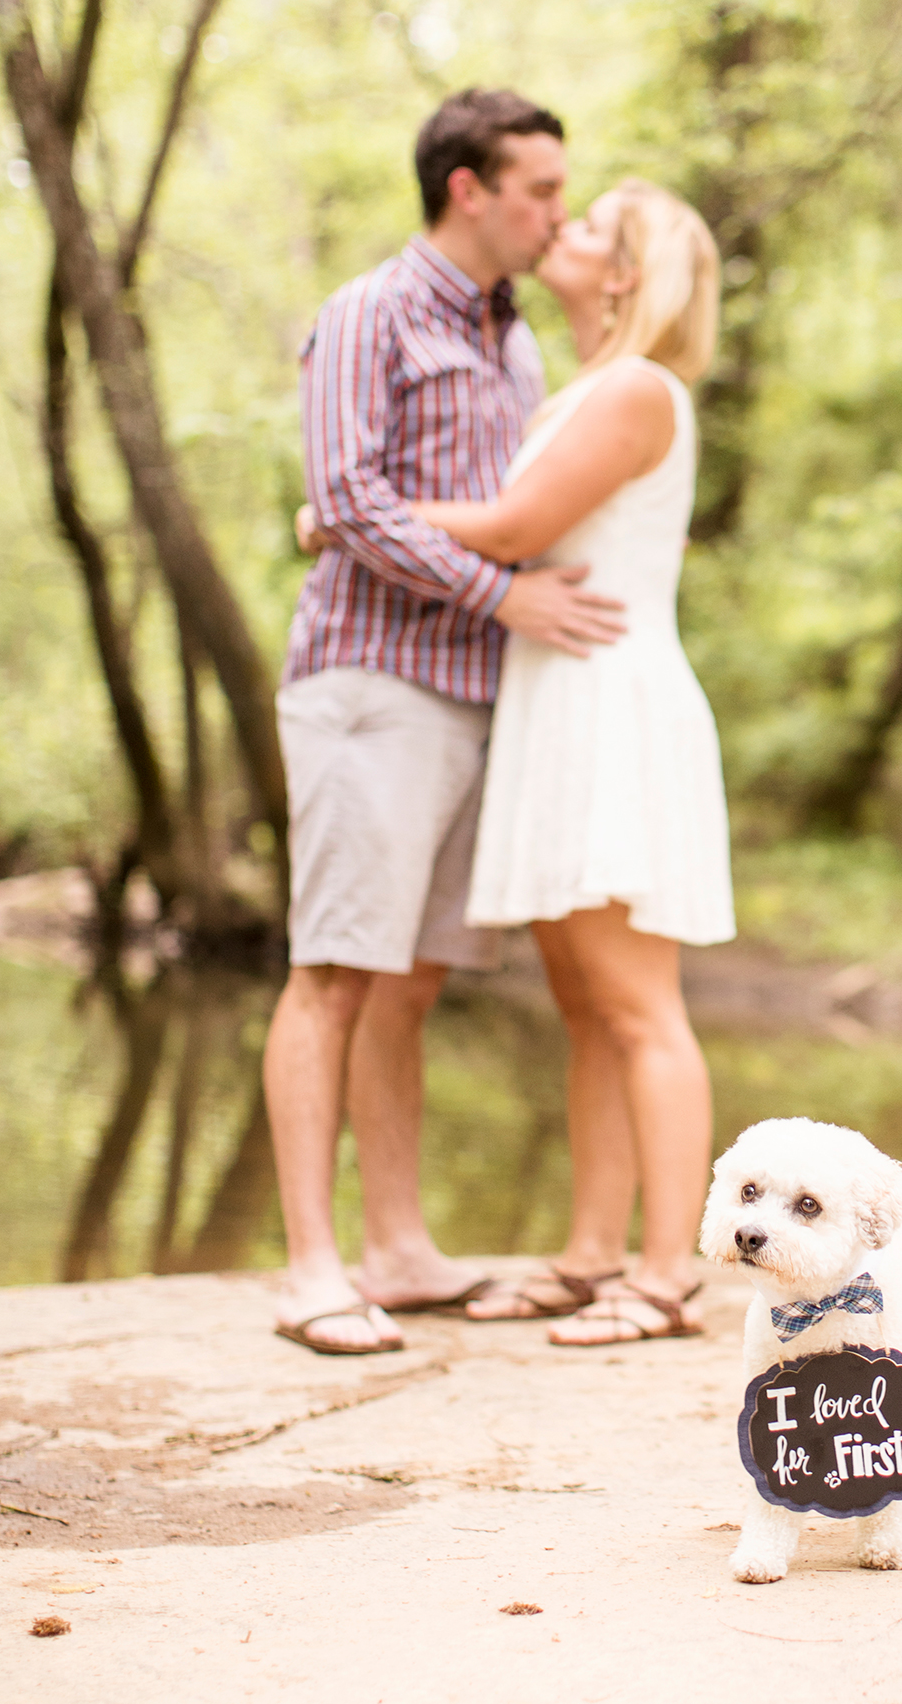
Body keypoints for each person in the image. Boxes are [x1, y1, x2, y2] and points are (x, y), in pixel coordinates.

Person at [265, 87, 626, 1356]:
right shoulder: (367, 313)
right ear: (467, 188)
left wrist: (519, 605)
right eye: (539, 191)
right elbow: (349, 504)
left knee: (410, 986)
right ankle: (311, 1267)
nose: (557, 215)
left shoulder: (515, 341)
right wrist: (504, 596)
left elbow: (506, 505)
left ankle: (399, 1248)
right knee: (332, 974)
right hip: (370, 687)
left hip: (482, 699)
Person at [407, 178, 735, 1345]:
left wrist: (353, 508)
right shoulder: (585, 385)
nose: (567, 229)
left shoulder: (640, 391)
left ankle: (663, 1275)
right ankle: (593, 1251)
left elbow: (508, 531)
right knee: (589, 1009)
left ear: (626, 275)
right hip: (561, 702)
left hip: (615, 705)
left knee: (641, 1007)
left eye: (592, 225)